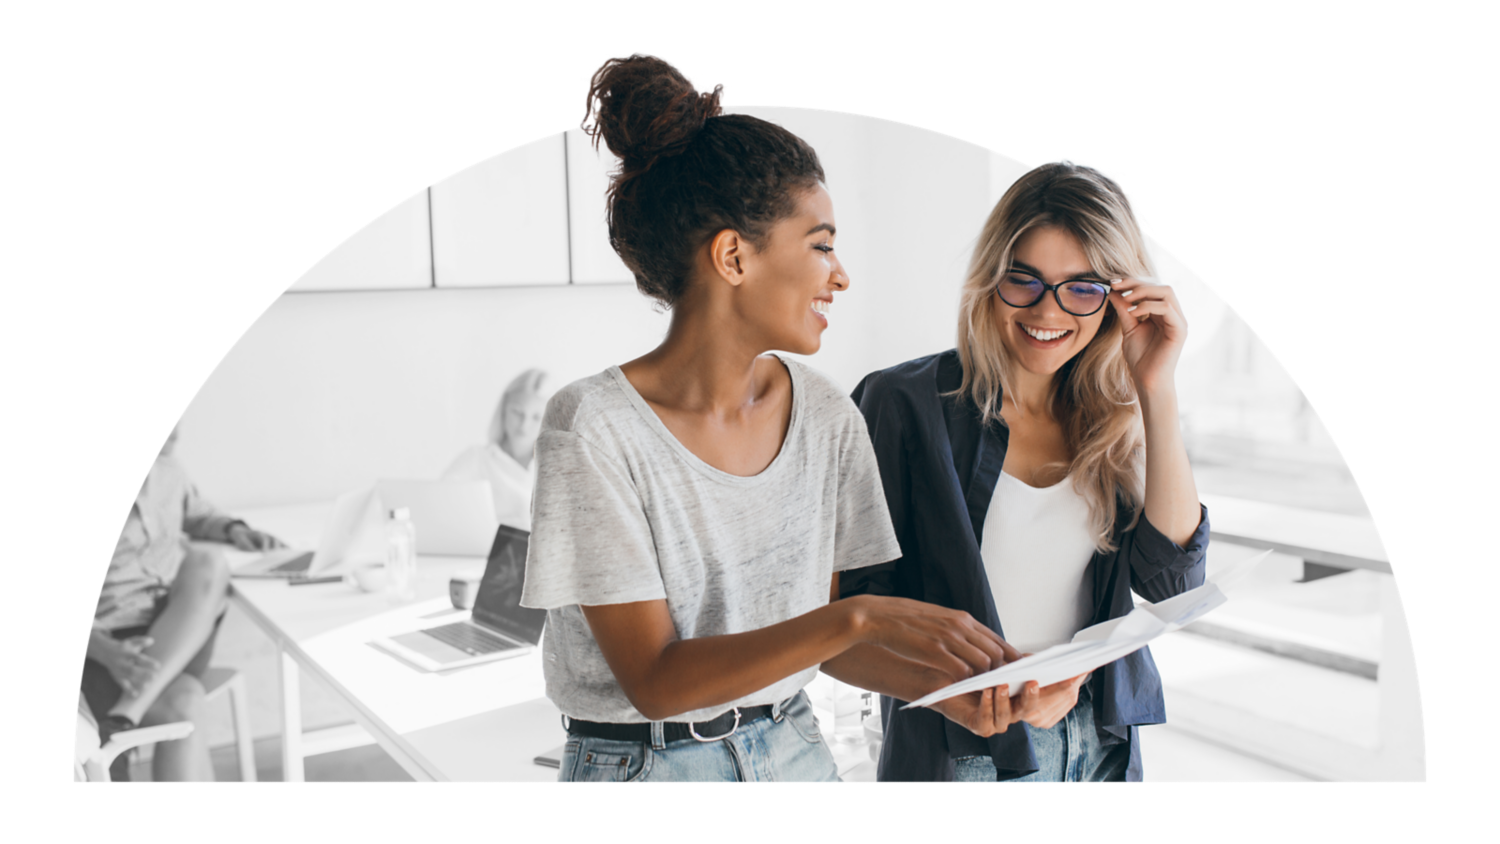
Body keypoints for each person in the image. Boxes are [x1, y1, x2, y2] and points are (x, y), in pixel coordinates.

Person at [519, 53, 1076, 784]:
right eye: (821, 245)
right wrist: (861, 619)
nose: (841, 274)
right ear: (733, 256)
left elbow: (830, 645)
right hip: (646, 768)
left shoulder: (825, 414)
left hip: (794, 751)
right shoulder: (594, 428)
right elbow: (654, 679)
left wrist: (950, 697)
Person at [843, 159, 1210, 783]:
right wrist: (969, 689)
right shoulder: (901, 404)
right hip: (962, 750)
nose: (1049, 310)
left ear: (1118, 300)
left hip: (1096, 747)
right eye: (1025, 280)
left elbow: (1173, 585)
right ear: (991, 279)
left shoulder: (1120, 418)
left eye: (1083, 288)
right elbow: (849, 612)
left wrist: (1157, 388)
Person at [80, 425, 281, 783]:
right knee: (186, 700)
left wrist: (234, 529)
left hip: (174, 630)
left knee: (208, 562)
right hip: (106, 645)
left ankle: (129, 708)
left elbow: (200, 515)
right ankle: (124, 713)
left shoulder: (168, 473)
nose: (177, 430)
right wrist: (105, 650)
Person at [443, 368, 550, 530]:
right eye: (517, 412)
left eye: (536, 417)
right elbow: (441, 502)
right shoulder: (476, 458)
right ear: (504, 411)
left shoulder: (559, 468)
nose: (524, 425)